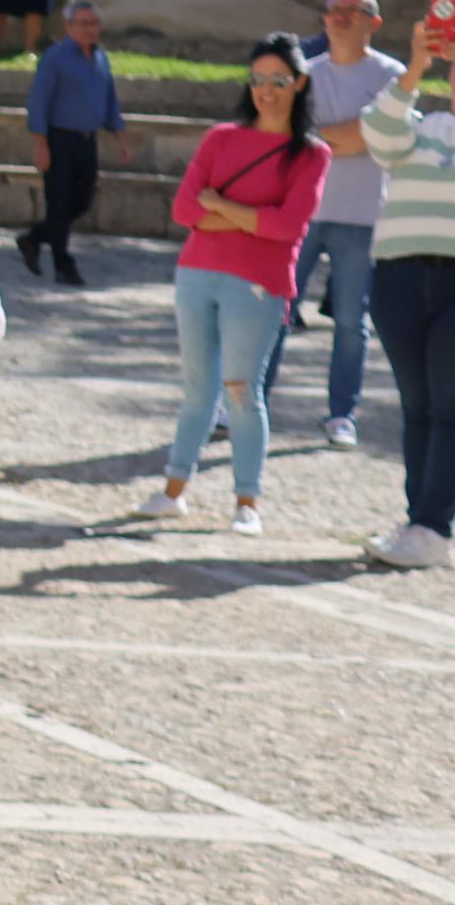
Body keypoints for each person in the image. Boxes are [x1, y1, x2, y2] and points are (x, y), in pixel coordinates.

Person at [123, 36, 328, 535]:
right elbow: (185, 211)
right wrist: (248, 217)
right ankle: (174, 490)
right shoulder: (221, 138)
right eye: (257, 80)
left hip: (259, 284)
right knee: (197, 388)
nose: (266, 90)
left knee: (240, 390)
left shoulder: (311, 155)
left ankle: (247, 502)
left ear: (298, 84)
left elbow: (287, 227)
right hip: (197, 274)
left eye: (277, 80)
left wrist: (222, 206)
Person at [265, 0, 405, 445]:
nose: (342, 18)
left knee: (350, 322)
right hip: (300, 214)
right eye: (335, 11)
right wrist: (350, 134)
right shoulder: (303, 73)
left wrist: (323, 137)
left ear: (374, 21)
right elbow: (289, 136)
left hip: (363, 215)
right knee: (275, 313)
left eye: (354, 10)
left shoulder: (393, 74)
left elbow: (377, 135)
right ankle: (250, 406)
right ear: (323, 19)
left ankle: (342, 414)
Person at [363, 8, 455, 569]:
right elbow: (378, 133)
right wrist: (416, 64)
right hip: (397, 274)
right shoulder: (416, 125)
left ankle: (431, 525)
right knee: (417, 405)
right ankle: (419, 521)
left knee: (450, 405)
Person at [16, 0, 124, 287]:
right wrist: (41, 144)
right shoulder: (55, 57)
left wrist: (119, 136)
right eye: (83, 23)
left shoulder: (101, 58)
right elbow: (39, 102)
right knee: (60, 203)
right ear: (69, 26)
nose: (90, 29)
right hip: (59, 139)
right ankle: (64, 264)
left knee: (82, 201)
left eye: (94, 23)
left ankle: (33, 239)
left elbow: (109, 99)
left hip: (86, 141)